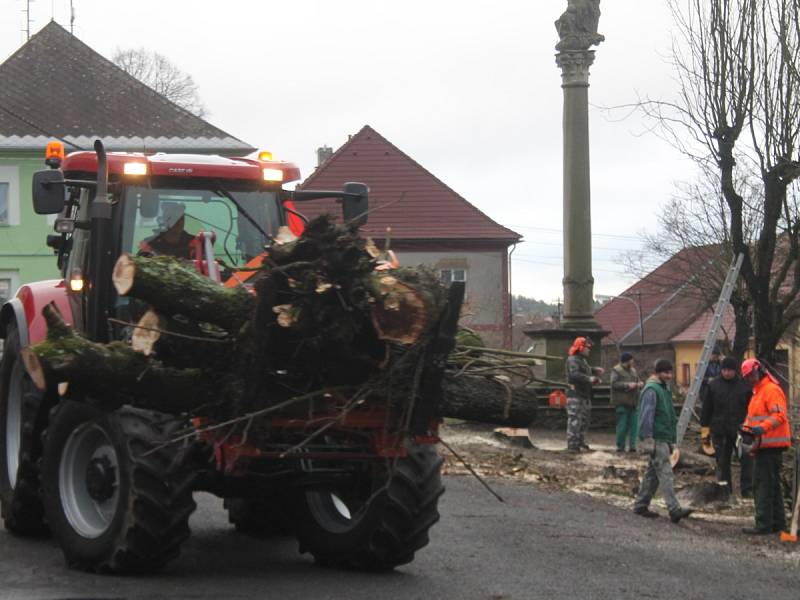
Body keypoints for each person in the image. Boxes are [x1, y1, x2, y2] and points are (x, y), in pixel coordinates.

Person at [633, 359, 693, 523]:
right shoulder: (652, 390)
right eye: (666, 372)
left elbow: (667, 415)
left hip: (663, 437)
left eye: (670, 372)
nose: (669, 375)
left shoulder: (663, 389)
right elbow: (646, 415)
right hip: (657, 437)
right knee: (666, 473)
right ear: (658, 372)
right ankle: (674, 509)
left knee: (652, 474)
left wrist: (672, 439)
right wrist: (648, 438)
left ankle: (640, 505)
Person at [740, 358, 791, 535]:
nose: (750, 379)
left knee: (762, 485)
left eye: (752, 375)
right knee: (773, 486)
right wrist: (746, 430)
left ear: (759, 371)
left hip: (771, 445)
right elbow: (752, 417)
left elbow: (779, 415)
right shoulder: (758, 392)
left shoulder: (771, 390)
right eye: (747, 377)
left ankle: (763, 524)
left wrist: (762, 428)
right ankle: (778, 523)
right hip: (765, 445)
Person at [700, 356, 753, 498]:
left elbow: (752, 409)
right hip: (720, 430)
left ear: (735, 371)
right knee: (723, 463)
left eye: (730, 370)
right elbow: (706, 410)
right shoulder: (713, 385)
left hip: (741, 430)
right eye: (724, 370)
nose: (727, 373)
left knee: (747, 461)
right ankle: (725, 491)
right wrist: (705, 433)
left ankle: (747, 491)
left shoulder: (745, 386)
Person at [565, 336, 603, 453]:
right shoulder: (572, 360)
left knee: (584, 420)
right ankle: (572, 444)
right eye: (587, 347)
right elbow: (574, 374)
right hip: (575, 394)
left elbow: (583, 370)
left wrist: (594, 370)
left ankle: (580, 442)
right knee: (575, 419)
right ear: (580, 348)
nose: (589, 350)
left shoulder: (582, 360)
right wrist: (589, 378)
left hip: (584, 394)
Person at [610, 351, 642, 453]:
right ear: (627, 361)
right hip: (621, 403)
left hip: (633, 403)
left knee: (634, 426)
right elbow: (614, 384)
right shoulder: (616, 370)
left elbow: (637, 380)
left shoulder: (633, 371)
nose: (633, 362)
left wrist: (639, 384)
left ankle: (633, 446)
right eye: (631, 360)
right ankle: (620, 446)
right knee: (622, 426)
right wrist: (627, 385)